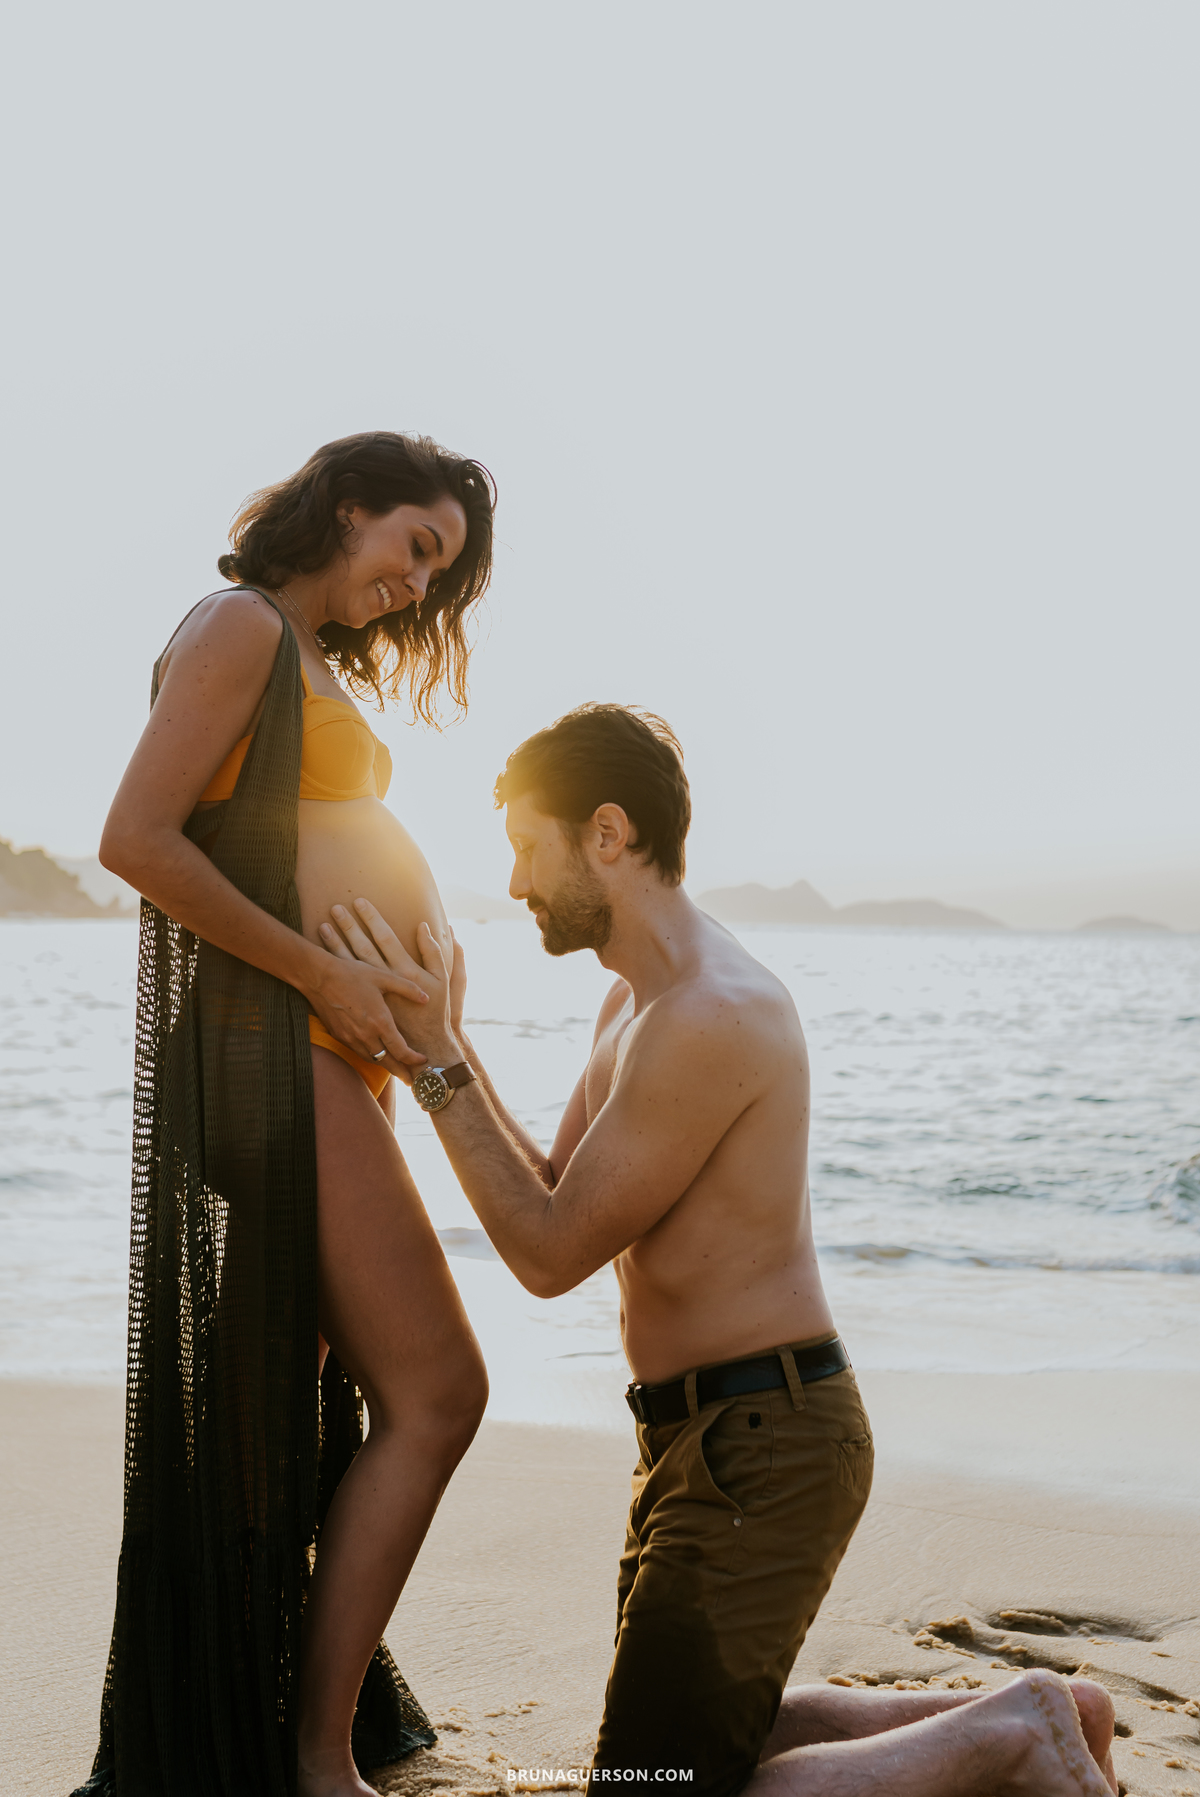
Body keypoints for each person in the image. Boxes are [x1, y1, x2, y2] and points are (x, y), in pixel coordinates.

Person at [322, 702, 1119, 1797]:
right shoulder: (633, 1003)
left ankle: (1020, 1735)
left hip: (767, 1442)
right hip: (703, 1439)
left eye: (524, 846)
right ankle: (1039, 1712)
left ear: (607, 834)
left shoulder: (711, 1014)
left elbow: (548, 1256)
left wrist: (434, 1060)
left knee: (656, 1791)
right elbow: (557, 1196)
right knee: (680, 1752)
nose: (512, 885)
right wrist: (446, 1047)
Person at [78, 433, 495, 1797]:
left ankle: (245, 1731)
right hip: (276, 1057)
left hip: (329, 1059)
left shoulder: (299, 652)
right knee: (437, 1390)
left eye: (439, 573)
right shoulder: (240, 626)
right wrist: (327, 969)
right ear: (348, 502)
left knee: (268, 1421)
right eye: (415, 547)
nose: (417, 587)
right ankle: (317, 1763)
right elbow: (138, 840)